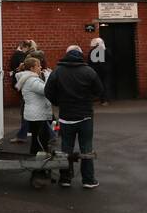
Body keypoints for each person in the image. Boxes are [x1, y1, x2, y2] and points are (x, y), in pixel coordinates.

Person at [44, 45, 104, 189]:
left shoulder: (58, 71)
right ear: (81, 55)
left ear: (66, 54)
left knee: (66, 148)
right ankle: (88, 180)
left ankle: (65, 179)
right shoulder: (89, 71)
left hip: (66, 116)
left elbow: (48, 91)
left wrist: (58, 102)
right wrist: (88, 101)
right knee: (86, 148)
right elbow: (99, 90)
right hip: (85, 116)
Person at [16, 56, 54, 179]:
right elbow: (47, 90)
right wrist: (49, 76)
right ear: (32, 68)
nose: (41, 67)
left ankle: (39, 168)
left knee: (38, 142)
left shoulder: (30, 78)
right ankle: (38, 170)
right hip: (37, 116)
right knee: (39, 143)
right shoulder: (32, 80)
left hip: (36, 115)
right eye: (38, 66)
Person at [89, 36, 111, 104]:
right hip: (104, 70)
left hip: (96, 71)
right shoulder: (106, 50)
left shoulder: (93, 51)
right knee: (105, 85)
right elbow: (110, 59)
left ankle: (97, 99)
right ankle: (104, 100)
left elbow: (90, 61)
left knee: (96, 85)